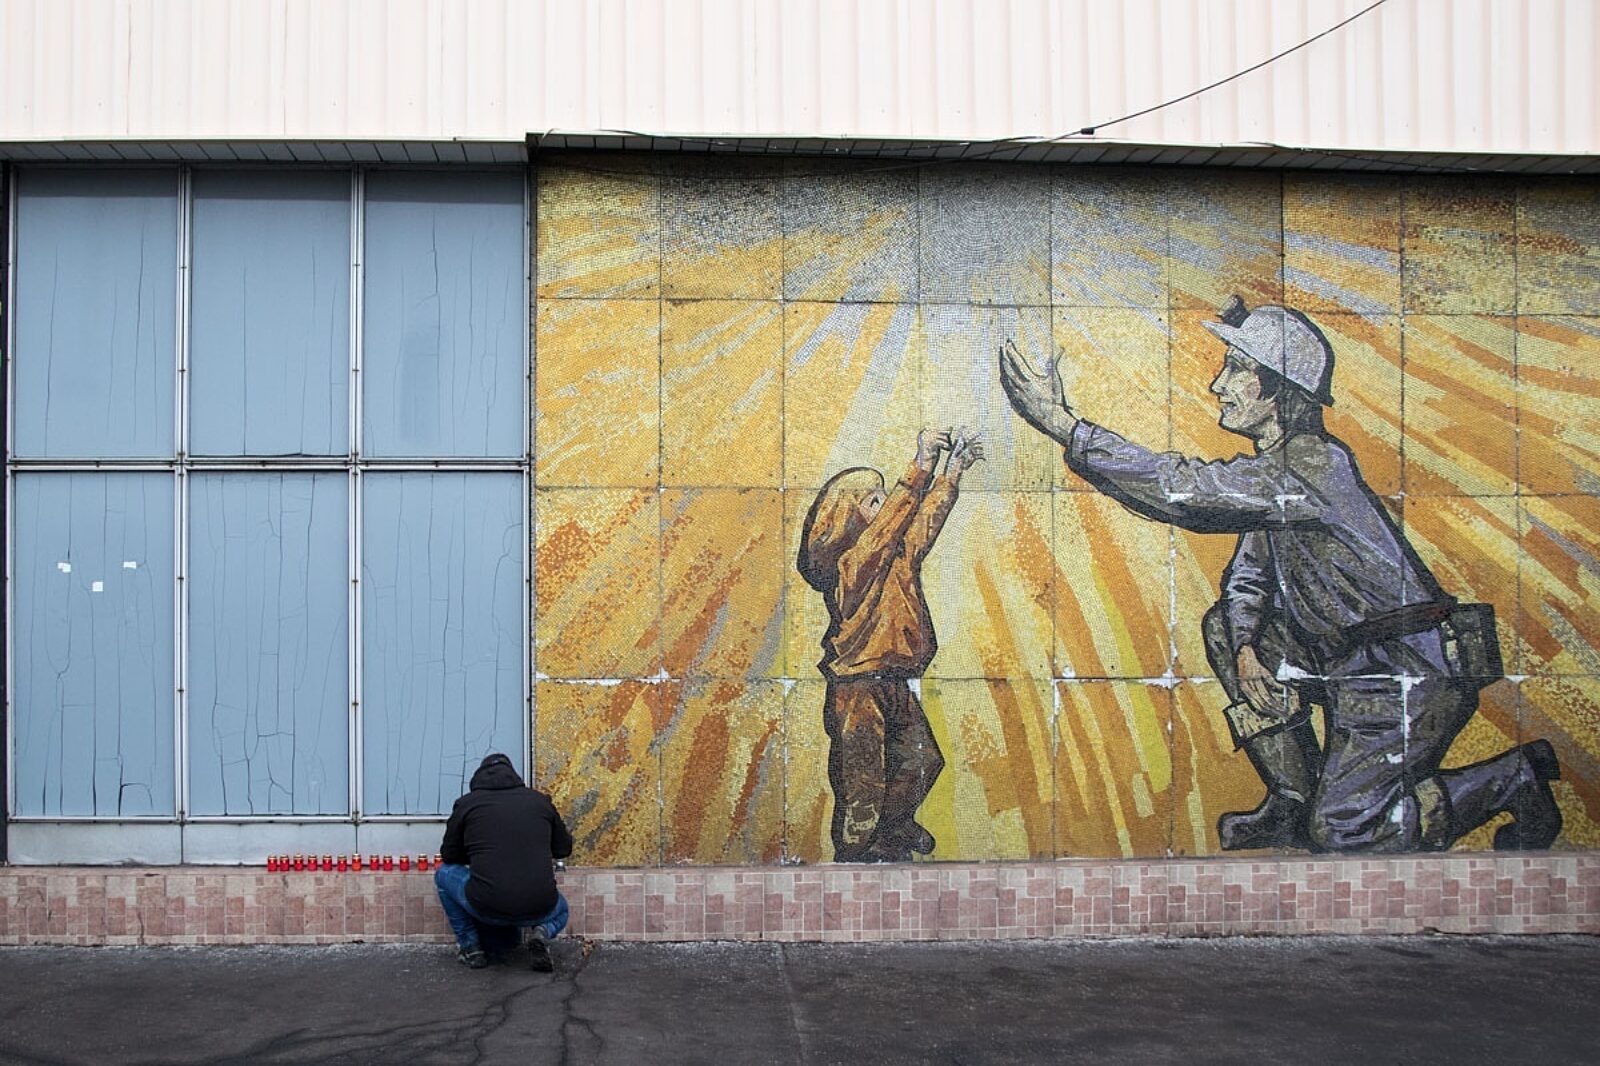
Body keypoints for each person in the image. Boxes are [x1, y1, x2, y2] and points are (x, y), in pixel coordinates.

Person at [999, 298, 1563, 854]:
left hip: (1402, 672)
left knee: (1345, 833)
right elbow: (1248, 579)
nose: (1218, 385)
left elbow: (1185, 491)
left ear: (1279, 390)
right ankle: (1294, 797)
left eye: (1236, 370)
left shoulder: (1312, 465)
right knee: (1226, 626)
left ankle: (1512, 778)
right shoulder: (1277, 476)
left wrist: (1064, 426)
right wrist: (1247, 647)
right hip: (1343, 662)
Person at [797, 428, 983, 861]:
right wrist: (921, 464)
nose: (886, 507)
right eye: (874, 501)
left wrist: (953, 471)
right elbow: (885, 533)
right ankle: (856, 855)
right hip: (857, 687)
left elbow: (922, 526)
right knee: (862, 785)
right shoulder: (852, 566)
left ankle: (893, 826)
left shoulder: (895, 559)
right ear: (848, 518)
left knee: (923, 761)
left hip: (893, 680)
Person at [435, 752, 573, 971]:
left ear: (478, 777)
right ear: (514, 775)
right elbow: (563, 849)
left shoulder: (467, 804)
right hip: (540, 906)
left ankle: (471, 948)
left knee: (443, 874)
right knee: (562, 909)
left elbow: (450, 856)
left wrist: (478, 854)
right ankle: (541, 933)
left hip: (486, 905)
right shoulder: (540, 801)